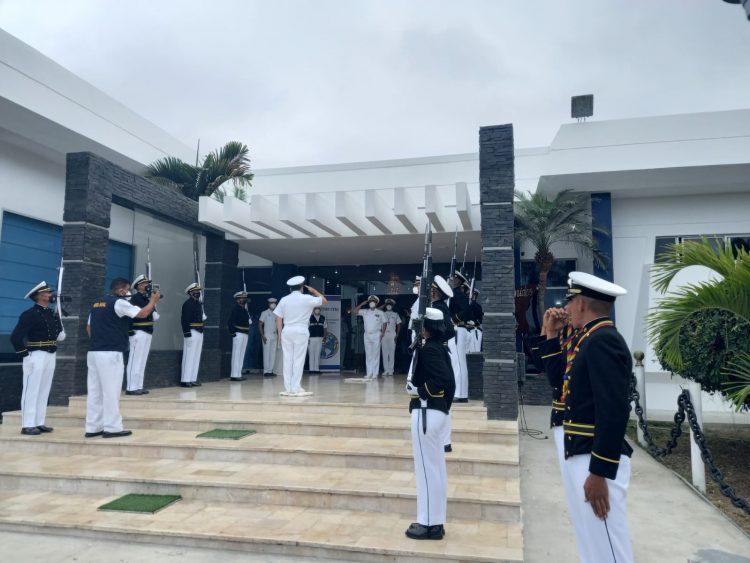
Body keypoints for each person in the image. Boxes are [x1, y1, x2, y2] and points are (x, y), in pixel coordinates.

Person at [537, 271, 633, 563]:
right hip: (580, 449)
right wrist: (550, 335)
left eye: (569, 301)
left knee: (608, 546)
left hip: (593, 456)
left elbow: (614, 410)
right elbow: (559, 383)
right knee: (590, 538)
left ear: (580, 304)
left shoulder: (603, 341)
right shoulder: (586, 338)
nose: (565, 308)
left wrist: (600, 471)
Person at [85, 277, 160, 438]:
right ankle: (112, 427)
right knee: (111, 391)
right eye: (127, 290)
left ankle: (93, 427)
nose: (128, 293)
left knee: (95, 391)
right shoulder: (119, 303)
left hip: (94, 352)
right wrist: (153, 301)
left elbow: (89, 327)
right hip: (111, 353)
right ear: (120, 290)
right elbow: (143, 313)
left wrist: (99, 340)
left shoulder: (97, 303)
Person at [404, 307, 455, 541]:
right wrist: (443, 405)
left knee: (426, 471)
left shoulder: (430, 349)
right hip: (434, 411)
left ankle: (427, 524)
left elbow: (445, 379)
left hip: (426, 411)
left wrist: (421, 392)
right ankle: (435, 521)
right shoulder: (439, 347)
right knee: (435, 469)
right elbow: (450, 385)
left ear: (426, 327)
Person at [11, 281, 65, 435]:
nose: (50, 295)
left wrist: (59, 317)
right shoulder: (29, 314)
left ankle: (39, 422)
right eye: (47, 293)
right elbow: (15, 337)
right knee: (31, 390)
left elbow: (59, 336)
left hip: (50, 354)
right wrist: (25, 356)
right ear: (39, 296)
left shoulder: (51, 313)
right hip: (35, 355)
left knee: (43, 389)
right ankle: (27, 424)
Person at [274, 276, 327, 396]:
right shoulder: (307, 298)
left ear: (290, 289)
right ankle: (295, 387)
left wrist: (280, 335)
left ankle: (288, 388)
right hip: (301, 330)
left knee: (287, 359)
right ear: (302, 287)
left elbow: (279, 318)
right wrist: (313, 291)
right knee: (298, 359)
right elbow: (324, 301)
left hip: (287, 330)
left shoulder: (284, 299)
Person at [430, 275, 457, 452]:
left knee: (441, 396)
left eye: (432, 291)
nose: (429, 293)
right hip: (436, 352)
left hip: (439, 353)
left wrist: (436, 339)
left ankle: (445, 441)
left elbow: (450, 331)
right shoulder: (437, 307)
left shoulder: (440, 308)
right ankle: (442, 440)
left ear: (436, 293)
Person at [125, 274, 159, 395]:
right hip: (138, 331)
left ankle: (138, 385)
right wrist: (131, 332)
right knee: (135, 359)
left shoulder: (146, 298)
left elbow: (154, 316)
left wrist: (153, 302)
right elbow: (131, 316)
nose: (147, 285)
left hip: (148, 331)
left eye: (147, 283)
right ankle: (131, 387)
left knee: (142, 360)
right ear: (139, 286)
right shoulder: (134, 299)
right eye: (145, 284)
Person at [448, 271, 474, 403]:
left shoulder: (458, 294)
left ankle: (461, 394)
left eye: (453, 279)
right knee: (456, 362)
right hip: (455, 330)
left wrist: (454, 319)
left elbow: (467, 311)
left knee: (458, 362)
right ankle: (458, 392)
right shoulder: (452, 294)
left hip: (458, 328)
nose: (450, 280)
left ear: (458, 281)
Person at [353, 295, 386, 380]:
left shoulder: (380, 312)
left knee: (375, 354)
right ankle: (369, 373)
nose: (372, 303)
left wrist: (382, 333)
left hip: (376, 334)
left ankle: (375, 373)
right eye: (370, 301)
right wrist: (361, 304)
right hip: (367, 335)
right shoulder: (365, 311)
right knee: (368, 354)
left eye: (373, 302)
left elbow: (385, 322)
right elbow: (354, 312)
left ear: (376, 303)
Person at [181, 282, 206, 388]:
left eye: (198, 291)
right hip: (191, 331)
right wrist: (187, 334)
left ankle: (192, 379)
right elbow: (184, 320)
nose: (197, 293)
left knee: (196, 356)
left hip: (199, 331)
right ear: (190, 293)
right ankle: (185, 379)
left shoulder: (199, 304)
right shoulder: (187, 304)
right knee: (189, 356)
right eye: (195, 291)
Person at [228, 291, 251, 381]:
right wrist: (233, 333)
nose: (244, 300)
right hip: (238, 333)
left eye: (244, 298)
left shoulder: (244, 310)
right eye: (242, 298)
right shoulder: (236, 309)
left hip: (245, 333)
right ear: (237, 300)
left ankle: (238, 374)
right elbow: (230, 322)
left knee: (241, 355)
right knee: (236, 354)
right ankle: (234, 375)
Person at [380, 298, 401, 376]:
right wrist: (384, 305)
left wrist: (397, 335)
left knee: (392, 352)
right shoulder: (382, 313)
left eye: (390, 304)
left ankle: (391, 370)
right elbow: (377, 309)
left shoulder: (395, 314)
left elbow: (399, 325)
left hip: (392, 334)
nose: (388, 306)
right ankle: (386, 370)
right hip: (384, 334)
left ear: (392, 305)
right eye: (387, 304)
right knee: (384, 352)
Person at [259, 297, 278, 377]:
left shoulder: (277, 313)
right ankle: (266, 371)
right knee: (266, 353)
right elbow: (260, 324)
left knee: (273, 353)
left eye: (274, 303)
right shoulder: (264, 313)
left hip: (275, 335)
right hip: (267, 335)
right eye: (271, 303)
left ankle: (270, 370)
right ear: (268, 304)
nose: (273, 304)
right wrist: (262, 335)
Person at [307, 305, 327, 374]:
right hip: (311, 338)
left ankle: (316, 369)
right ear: (313, 310)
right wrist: (307, 338)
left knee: (318, 354)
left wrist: (324, 337)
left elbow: (325, 328)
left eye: (318, 309)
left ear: (320, 310)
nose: (317, 310)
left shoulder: (323, 318)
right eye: (316, 309)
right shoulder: (310, 318)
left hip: (320, 338)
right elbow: (306, 328)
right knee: (311, 353)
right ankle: (311, 370)